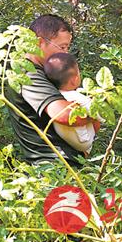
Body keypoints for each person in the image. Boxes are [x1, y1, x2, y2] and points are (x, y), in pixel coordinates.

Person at [6, 14, 99, 167]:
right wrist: (96, 113)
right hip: (51, 167)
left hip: (66, 165)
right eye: (62, 47)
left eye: (67, 47)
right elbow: (64, 115)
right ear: (39, 43)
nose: (65, 53)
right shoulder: (26, 74)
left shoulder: (46, 72)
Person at [43, 52, 102, 155]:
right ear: (75, 80)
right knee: (95, 116)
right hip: (83, 142)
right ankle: (87, 150)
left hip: (64, 138)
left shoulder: (54, 95)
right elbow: (99, 114)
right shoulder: (77, 96)